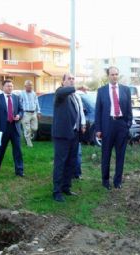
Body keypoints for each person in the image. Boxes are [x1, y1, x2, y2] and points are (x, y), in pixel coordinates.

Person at [95, 66, 132, 190]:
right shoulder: (101, 91)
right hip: (107, 125)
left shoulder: (126, 90)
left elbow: (129, 110)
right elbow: (98, 111)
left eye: (116, 74)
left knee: (120, 155)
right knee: (106, 154)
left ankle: (118, 181)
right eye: (112, 74)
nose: (114, 76)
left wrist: (127, 125)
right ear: (108, 76)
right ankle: (105, 181)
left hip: (121, 125)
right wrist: (98, 129)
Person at [52, 73, 86, 202]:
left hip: (74, 134)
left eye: (73, 79)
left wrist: (81, 125)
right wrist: (77, 86)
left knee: (71, 162)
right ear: (63, 82)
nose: (72, 81)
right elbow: (66, 91)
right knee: (60, 163)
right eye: (69, 79)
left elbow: (79, 112)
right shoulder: (60, 93)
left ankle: (66, 187)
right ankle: (57, 191)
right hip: (62, 135)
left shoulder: (74, 96)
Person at [0, 79, 24, 176]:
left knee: (17, 150)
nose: (10, 88)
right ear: (3, 87)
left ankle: (19, 171)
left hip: (15, 128)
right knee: (0, 150)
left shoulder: (16, 97)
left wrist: (19, 115)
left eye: (11, 86)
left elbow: (21, 110)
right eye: (8, 86)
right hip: (2, 129)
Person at [20, 80, 41, 147]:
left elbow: (37, 103)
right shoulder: (21, 94)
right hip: (26, 113)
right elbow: (19, 104)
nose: (30, 86)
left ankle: (27, 135)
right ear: (25, 86)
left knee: (35, 128)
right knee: (27, 129)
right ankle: (29, 143)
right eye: (28, 85)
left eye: (31, 85)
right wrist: (20, 113)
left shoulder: (34, 93)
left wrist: (39, 112)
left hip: (33, 113)